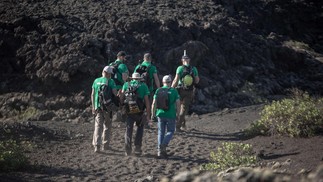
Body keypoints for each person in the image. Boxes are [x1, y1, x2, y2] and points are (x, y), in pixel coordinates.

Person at [120, 72, 152, 156]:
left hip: (129, 110)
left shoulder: (126, 84)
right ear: (139, 78)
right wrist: (148, 115)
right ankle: (137, 148)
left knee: (128, 129)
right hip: (139, 111)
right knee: (140, 128)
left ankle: (128, 149)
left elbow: (121, 98)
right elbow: (147, 102)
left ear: (132, 78)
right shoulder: (143, 86)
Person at [151, 75, 180, 158]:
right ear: (170, 82)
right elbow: (178, 103)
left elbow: (154, 103)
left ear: (162, 82)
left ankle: (160, 151)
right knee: (171, 131)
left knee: (161, 132)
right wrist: (178, 114)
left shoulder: (158, 90)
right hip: (170, 114)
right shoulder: (174, 91)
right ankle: (164, 144)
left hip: (160, 114)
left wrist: (153, 114)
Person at [91, 66, 117, 153]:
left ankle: (97, 145)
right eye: (110, 74)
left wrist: (93, 106)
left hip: (98, 107)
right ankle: (105, 145)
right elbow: (115, 93)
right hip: (108, 107)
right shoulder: (111, 81)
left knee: (98, 126)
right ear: (108, 73)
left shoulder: (96, 81)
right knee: (107, 125)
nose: (110, 76)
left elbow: (93, 94)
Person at [171, 55, 199, 131]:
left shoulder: (180, 68)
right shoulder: (194, 69)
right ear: (189, 60)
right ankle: (181, 125)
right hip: (189, 91)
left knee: (177, 107)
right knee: (184, 109)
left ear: (182, 60)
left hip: (179, 90)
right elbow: (197, 81)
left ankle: (178, 125)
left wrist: (171, 89)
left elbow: (175, 80)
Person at [109, 51, 129, 122]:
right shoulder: (123, 66)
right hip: (119, 86)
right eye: (124, 57)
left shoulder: (111, 64)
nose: (124, 59)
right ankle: (120, 117)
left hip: (110, 86)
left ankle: (111, 117)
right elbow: (125, 78)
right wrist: (126, 84)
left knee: (111, 101)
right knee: (121, 102)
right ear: (121, 57)